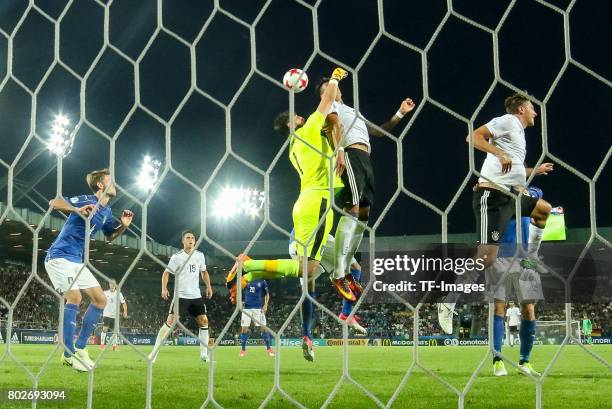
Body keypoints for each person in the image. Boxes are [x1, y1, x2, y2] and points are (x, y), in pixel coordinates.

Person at [225, 67, 348, 362]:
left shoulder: (294, 147)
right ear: (292, 125)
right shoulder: (305, 132)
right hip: (317, 202)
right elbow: (329, 100)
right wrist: (334, 78)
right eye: (296, 117)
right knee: (308, 270)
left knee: (310, 270)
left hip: (304, 204)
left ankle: (251, 269)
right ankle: (251, 265)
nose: (301, 116)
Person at [437, 92, 553, 335]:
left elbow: (514, 168)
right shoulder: (508, 121)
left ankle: (532, 257)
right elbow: (473, 137)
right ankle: (448, 302)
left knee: (543, 209)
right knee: (487, 257)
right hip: (493, 198)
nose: (535, 112)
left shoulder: (518, 134)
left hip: (512, 196)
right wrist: (499, 153)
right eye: (532, 108)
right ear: (521, 109)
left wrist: (534, 170)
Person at [316, 78, 415, 299]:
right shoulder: (330, 106)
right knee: (353, 208)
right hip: (349, 155)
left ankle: (347, 270)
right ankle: (338, 273)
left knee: (363, 216)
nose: (334, 90)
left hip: (365, 158)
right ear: (325, 95)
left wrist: (400, 113)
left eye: (334, 87)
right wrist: (339, 150)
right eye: (328, 90)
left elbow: (379, 132)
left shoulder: (352, 111)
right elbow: (331, 124)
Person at [45, 168, 134, 371]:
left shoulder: (107, 211)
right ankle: (68, 354)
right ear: (101, 185)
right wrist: (77, 209)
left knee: (100, 300)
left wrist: (124, 226)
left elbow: (110, 235)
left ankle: (81, 348)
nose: (115, 184)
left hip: (77, 261)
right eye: (111, 181)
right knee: (75, 298)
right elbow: (54, 202)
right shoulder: (86, 198)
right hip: (59, 256)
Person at [288, 229, 367, 339]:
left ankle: (306, 336)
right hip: (315, 235)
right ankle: (346, 313)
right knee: (354, 267)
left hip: (294, 245)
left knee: (306, 291)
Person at [150, 231, 212, 363]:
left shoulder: (200, 256)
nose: (190, 240)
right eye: (187, 238)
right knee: (170, 323)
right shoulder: (177, 257)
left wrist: (209, 286)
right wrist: (164, 288)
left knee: (204, 321)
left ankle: (204, 355)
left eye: (192, 238)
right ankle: (154, 353)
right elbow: (166, 273)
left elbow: (204, 272)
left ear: (195, 241)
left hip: (196, 296)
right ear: (183, 241)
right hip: (181, 297)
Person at [239, 279, 274, 357]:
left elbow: (267, 294)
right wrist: (241, 301)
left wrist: (266, 305)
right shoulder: (246, 279)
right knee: (244, 329)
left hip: (258, 308)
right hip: (246, 308)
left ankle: (269, 349)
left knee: (264, 328)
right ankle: (243, 350)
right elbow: (240, 291)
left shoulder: (262, 281)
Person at [100, 281, 127, 351]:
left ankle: (114, 346)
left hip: (115, 316)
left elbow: (124, 303)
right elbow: (100, 300)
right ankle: (102, 345)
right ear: (109, 285)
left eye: (113, 284)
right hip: (107, 314)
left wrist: (125, 311)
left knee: (115, 331)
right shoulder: (105, 293)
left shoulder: (119, 294)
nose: (112, 285)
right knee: (105, 329)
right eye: (111, 284)